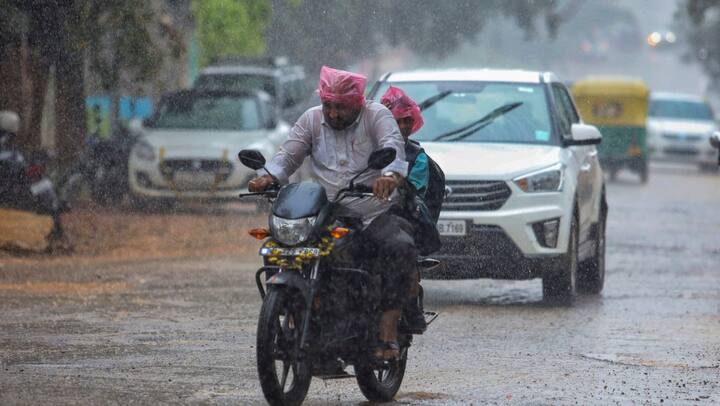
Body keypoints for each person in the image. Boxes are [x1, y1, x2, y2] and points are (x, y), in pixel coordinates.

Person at [248, 66, 416, 360]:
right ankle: (307, 318)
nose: (334, 113)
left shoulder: (377, 116)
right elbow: (288, 155)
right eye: (329, 105)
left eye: (341, 107)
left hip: (372, 211)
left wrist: (389, 176)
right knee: (288, 248)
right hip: (326, 212)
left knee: (398, 247)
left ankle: (388, 335)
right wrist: (269, 176)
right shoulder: (312, 119)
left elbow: (394, 150)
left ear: (358, 103)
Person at [380, 86, 431, 334]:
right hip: (364, 212)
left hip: (402, 214)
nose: (401, 127)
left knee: (404, 252)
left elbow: (414, 190)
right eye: (395, 121)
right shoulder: (366, 146)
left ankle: (411, 309)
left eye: (407, 121)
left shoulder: (417, 157)